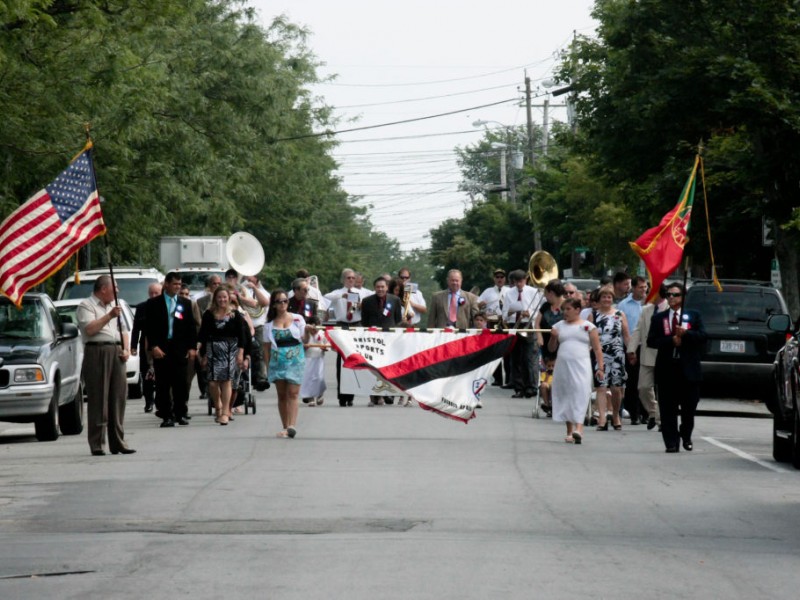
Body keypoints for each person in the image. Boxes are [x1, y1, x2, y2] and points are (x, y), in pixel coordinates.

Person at [76, 275, 135, 456]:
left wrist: (126, 349)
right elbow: (90, 329)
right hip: (97, 351)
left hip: (116, 351)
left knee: (118, 397)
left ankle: (118, 442)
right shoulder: (86, 306)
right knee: (98, 398)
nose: (117, 291)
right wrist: (109, 316)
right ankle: (97, 443)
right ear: (103, 289)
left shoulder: (114, 306)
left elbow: (123, 330)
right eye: (115, 287)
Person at [647, 282, 707, 453]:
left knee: (689, 408)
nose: (671, 298)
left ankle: (686, 434)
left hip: (688, 370)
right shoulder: (659, 318)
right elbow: (651, 341)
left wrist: (686, 335)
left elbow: (703, 336)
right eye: (669, 295)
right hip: (667, 369)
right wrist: (670, 341)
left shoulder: (694, 315)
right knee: (667, 409)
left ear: (683, 297)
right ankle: (671, 442)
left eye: (676, 294)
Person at [143, 272, 198, 428]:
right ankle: (166, 415)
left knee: (181, 382)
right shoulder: (153, 303)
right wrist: (153, 346)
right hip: (162, 347)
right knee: (163, 384)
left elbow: (191, 327)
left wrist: (192, 347)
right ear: (166, 284)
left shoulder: (185, 304)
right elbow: (149, 328)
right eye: (175, 284)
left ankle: (180, 413)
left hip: (179, 348)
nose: (177, 287)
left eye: (179, 284)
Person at [547, 297, 604, 444]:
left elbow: (597, 348)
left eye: (568, 309)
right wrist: (553, 338)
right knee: (566, 394)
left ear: (578, 310)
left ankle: (579, 428)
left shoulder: (588, 326)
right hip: (563, 365)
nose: (565, 312)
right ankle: (570, 431)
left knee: (580, 392)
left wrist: (601, 367)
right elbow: (551, 348)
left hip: (581, 365)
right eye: (563, 309)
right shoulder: (559, 325)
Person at [198, 286, 247, 425]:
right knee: (213, 382)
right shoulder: (209, 314)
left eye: (224, 297)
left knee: (226, 381)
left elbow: (242, 335)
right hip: (213, 349)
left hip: (230, 349)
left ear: (229, 298)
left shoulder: (235, 314)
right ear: (215, 298)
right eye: (219, 297)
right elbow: (203, 334)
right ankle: (218, 404)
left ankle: (225, 412)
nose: (222, 299)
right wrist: (202, 352)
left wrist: (241, 353)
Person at [264, 289, 309, 438]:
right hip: (278, 361)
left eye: (285, 301)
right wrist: (267, 365)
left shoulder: (297, 319)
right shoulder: (269, 325)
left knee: (293, 393)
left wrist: (309, 331)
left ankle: (292, 425)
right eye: (279, 301)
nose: (283, 304)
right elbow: (266, 348)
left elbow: (305, 339)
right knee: (282, 395)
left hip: (295, 360)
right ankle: (285, 426)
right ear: (274, 305)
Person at [324, 268, 373, 406]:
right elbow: (326, 297)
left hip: (356, 325)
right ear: (343, 280)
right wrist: (343, 296)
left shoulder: (362, 293)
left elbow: (372, 300)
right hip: (342, 325)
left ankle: (351, 393)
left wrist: (361, 305)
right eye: (348, 278)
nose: (351, 280)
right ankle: (342, 394)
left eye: (353, 278)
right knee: (341, 360)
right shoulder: (338, 293)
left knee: (355, 359)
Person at [628, 283, 669, 431]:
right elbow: (638, 330)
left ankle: (660, 419)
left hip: (664, 355)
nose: (646, 294)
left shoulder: (669, 309)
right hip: (647, 354)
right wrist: (631, 349)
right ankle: (653, 412)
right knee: (643, 387)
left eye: (650, 292)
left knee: (663, 390)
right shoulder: (646, 310)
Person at [589, 285, 630, 431]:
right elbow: (589, 336)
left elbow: (625, 335)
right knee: (601, 387)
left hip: (617, 354)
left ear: (613, 299)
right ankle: (602, 418)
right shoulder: (593, 315)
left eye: (609, 297)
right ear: (599, 299)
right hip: (599, 354)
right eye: (604, 297)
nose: (606, 299)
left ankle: (615, 414)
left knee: (616, 388)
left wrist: (631, 351)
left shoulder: (619, 314)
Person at [361, 276, 404, 406]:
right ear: (374, 288)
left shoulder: (395, 300)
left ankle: (389, 394)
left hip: (390, 338)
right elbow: (364, 321)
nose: (380, 289)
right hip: (373, 339)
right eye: (378, 287)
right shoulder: (367, 301)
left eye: (382, 287)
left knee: (389, 366)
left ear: (386, 288)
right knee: (374, 368)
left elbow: (398, 319)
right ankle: (374, 396)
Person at [502, 269, 544, 399]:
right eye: (516, 282)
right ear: (513, 282)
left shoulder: (533, 292)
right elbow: (504, 313)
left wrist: (529, 313)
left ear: (525, 280)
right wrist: (509, 313)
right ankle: (518, 388)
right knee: (516, 358)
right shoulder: (509, 293)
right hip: (515, 325)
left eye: (521, 281)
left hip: (529, 325)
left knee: (529, 358)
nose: (519, 284)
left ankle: (531, 387)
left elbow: (538, 311)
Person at [618, 275, 648, 424]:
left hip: (647, 347)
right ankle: (634, 413)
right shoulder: (623, 305)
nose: (644, 290)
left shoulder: (649, 303)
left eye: (645, 287)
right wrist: (630, 349)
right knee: (632, 382)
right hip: (630, 346)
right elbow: (623, 329)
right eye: (641, 287)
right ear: (634, 288)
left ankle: (647, 413)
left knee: (646, 382)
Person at [131, 281, 162, 412]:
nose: (153, 295)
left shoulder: (165, 305)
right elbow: (136, 329)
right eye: (151, 293)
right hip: (146, 345)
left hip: (162, 344)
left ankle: (161, 401)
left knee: (161, 374)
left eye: (157, 293)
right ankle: (149, 401)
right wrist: (133, 346)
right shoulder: (142, 307)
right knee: (146, 375)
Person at [479, 268, 510, 386]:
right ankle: (497, 378)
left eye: (502, 277)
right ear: (494, 279)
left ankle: (509, 379)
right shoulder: (488, 291)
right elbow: (478, 304)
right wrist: (481, 305)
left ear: (505, 279)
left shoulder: (509, 291)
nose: (499, 279)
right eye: (497, 277)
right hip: (493, 321)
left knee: (507, 351)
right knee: (495, 351)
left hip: (506, 323)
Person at [240, 274, 270, 389]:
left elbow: (264, 303)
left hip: (258, 326)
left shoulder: (263, 292)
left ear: (257, 278)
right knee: (243, 353)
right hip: (244, 326)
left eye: (252, 275)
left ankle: (261, 378)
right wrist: (241, 296)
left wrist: (254, 288)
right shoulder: (240, 289)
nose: (248, 277)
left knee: (260, 353)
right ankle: (244, 378)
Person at [180, 283, 203, 402]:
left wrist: (196, 345)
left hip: (189, 347)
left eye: (186, 294)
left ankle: (183, 404)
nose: (184, 296)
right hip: (174, 346)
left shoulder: (192, 305)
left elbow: (198, 325)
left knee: (187, 379)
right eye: (181, 293)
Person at [300, 316, 328, 406]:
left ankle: (320, 394)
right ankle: (311, 398)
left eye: (316, 326)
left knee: (319, 378)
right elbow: (301, 345)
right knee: (309, 378)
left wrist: (324, 348)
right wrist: (305, 346)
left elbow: (327, 345)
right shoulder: (305, 332)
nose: (314, 329)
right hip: (307, 358)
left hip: (319, 358)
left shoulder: (322, 333)